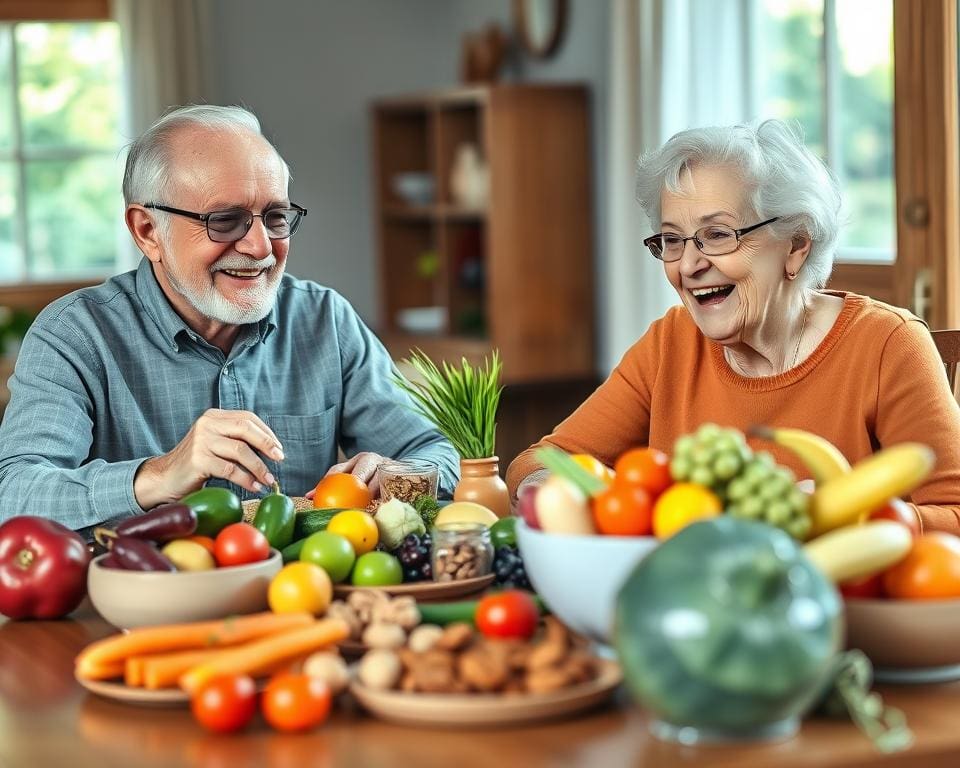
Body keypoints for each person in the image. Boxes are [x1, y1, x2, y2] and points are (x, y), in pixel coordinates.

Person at [0, 105, 458, 535]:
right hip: (145, 608)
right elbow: (15, 494)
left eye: (275, 217)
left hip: (303, 602)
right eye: (224, 220)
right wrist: (159, 475)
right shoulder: (74, 336)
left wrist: (395, 473)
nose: (260, 247)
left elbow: (438, 452)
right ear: (147, 231)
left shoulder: (325, 321)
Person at [507, 119, 960, 533]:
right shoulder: (670, 343)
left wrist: (845, 518)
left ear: (796, 245)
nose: (688, 264)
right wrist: (592, 502)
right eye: (671, 240)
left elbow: (955, 512)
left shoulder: (887, 345)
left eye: (718, 234)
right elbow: (541, 462)